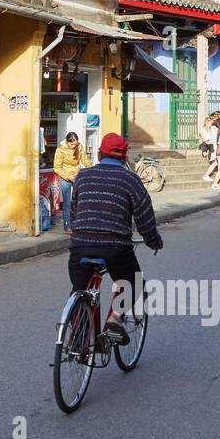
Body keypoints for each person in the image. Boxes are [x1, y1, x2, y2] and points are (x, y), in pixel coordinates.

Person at [67, 132, 162, 343]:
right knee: (134, 282)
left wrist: (78, 231)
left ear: (100, 153)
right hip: (115, 247)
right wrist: (153, 240)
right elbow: (145, 216)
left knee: (80, 288)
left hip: (80, 245)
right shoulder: (130, 179)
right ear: (125, 157)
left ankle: (78, 342)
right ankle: (115, 319)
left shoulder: (83, 176)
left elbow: (74, 211)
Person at [53, 132, 88, 234]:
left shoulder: (79, 147)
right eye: (71, 144)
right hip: (65, 177)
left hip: (77, 176)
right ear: (67, 142)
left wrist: (91, 168)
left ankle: (78, 224)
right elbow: (57, 167)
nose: (74, 146)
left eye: (75, 144)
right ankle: (67, 226)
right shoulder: (60, 150)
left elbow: (85, 160)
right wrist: (68, 177)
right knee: (67, 203)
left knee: (79, 201)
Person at [200, 115, 219, 184]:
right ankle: (206, 175)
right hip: (209, 144)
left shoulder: (212, 128)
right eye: (209, 121)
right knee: (215, 162)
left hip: (212, 145)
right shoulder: (204, 129)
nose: (210, 123)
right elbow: (205, 139)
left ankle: (207, 175)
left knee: (216, 162)